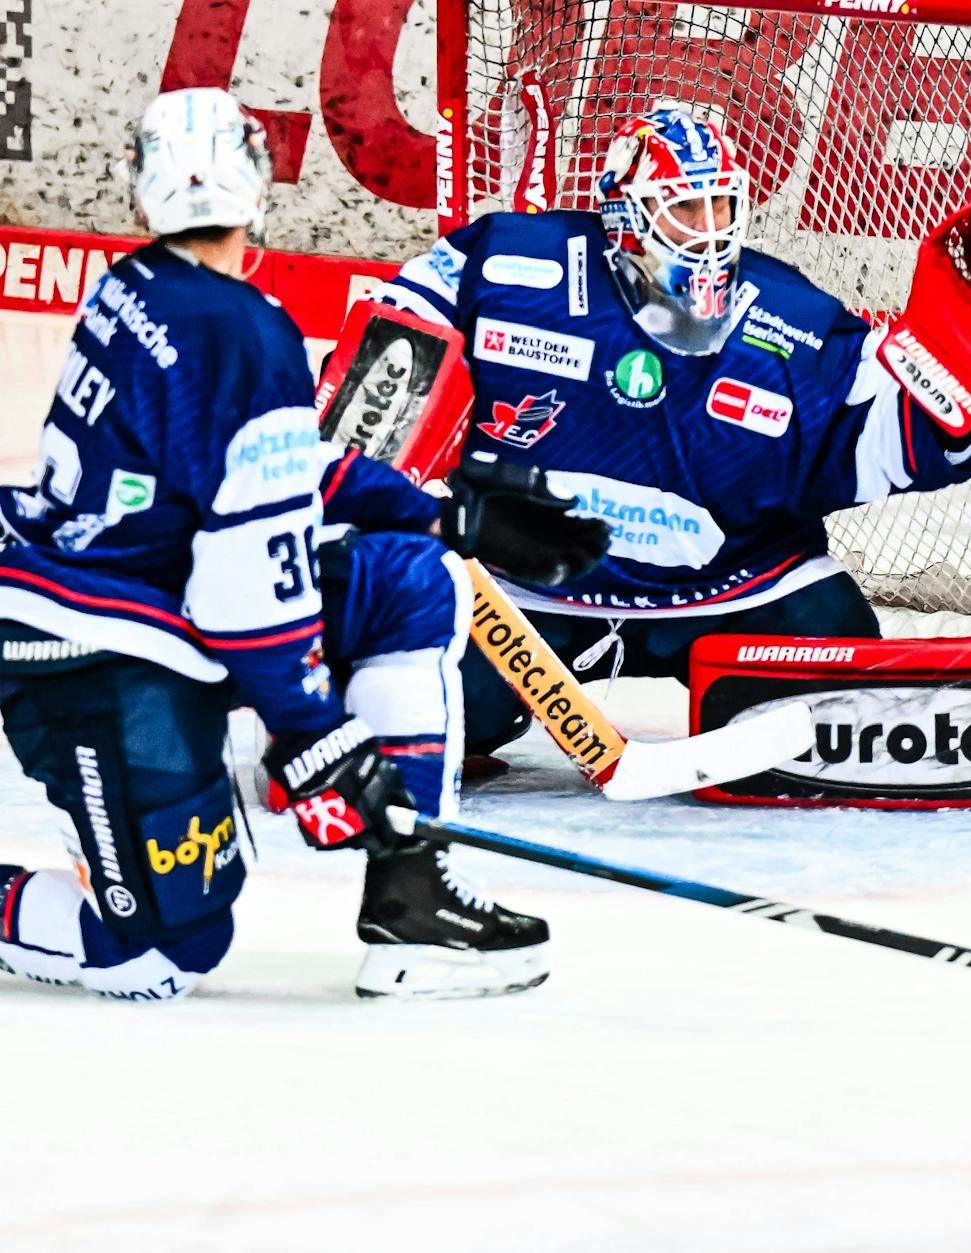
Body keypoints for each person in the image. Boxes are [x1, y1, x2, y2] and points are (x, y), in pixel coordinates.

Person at [0, 88, 605, 1001]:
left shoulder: (138, 289)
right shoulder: (246, 331)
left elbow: (260, 472)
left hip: (152, 598)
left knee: (411, 577)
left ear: (139, 192)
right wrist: (315, 733)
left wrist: (443, 516)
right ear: (257, 185)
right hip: (90, 645)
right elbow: (248, 582)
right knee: (158, 956)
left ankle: (414, 897)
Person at [373, 102, 971, 757]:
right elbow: (384, 361)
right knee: (406, 703)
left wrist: (963, 387)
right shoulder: (508, 267)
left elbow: (902, 439)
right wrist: (401, 490)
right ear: (626, 215)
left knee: (838, 687)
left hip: (728, 590)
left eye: (720, 206)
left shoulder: (793, 320)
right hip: (526, 598)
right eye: (685, 208)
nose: (709, 231)